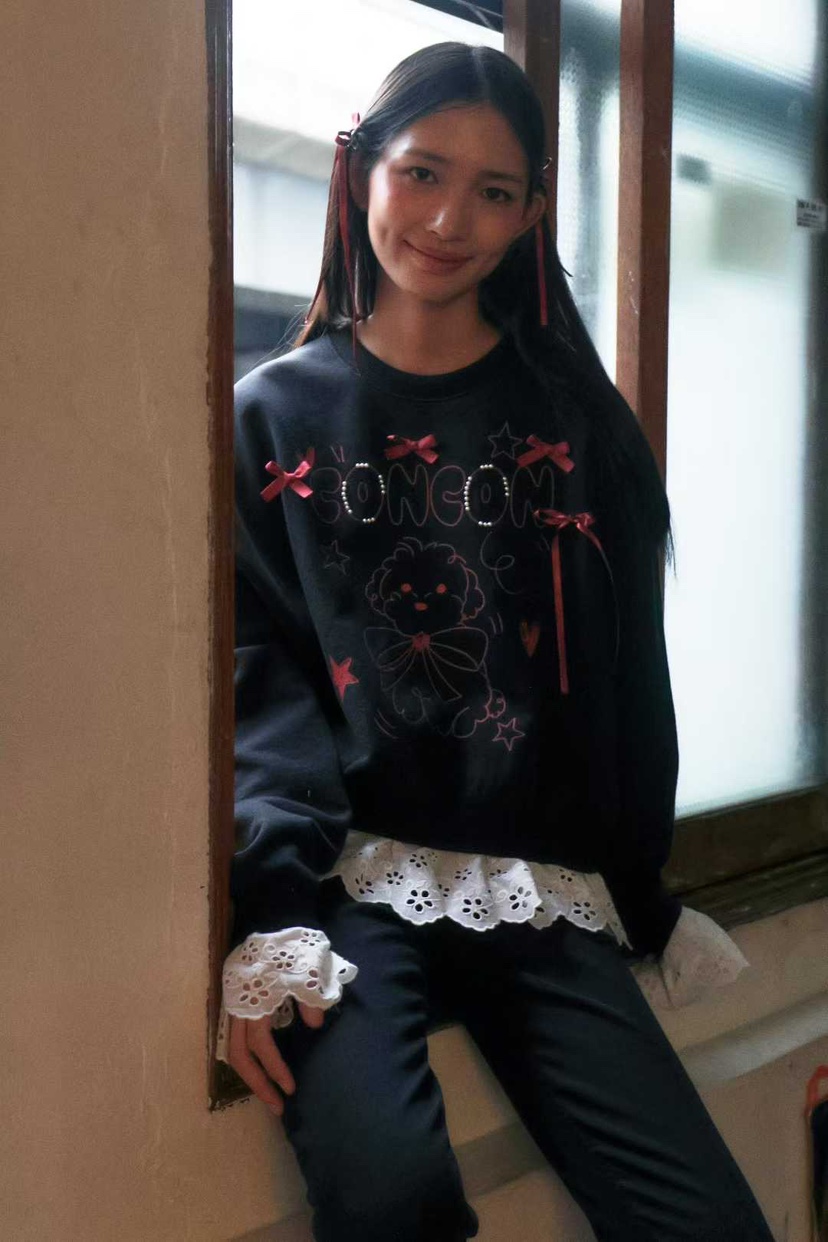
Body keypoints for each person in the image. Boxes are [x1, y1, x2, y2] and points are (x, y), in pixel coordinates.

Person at [220, 41, 775, 1242]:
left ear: (530, 215)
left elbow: (626, 682)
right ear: (362, 170)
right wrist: (269, 912)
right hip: (345, 883)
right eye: (421, 173)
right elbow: (260, 682)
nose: (446, 220)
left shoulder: (578, 426)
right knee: (389, 1193)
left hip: (538, 890)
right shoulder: (267, 417)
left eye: (493, 190)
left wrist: (641, 890)